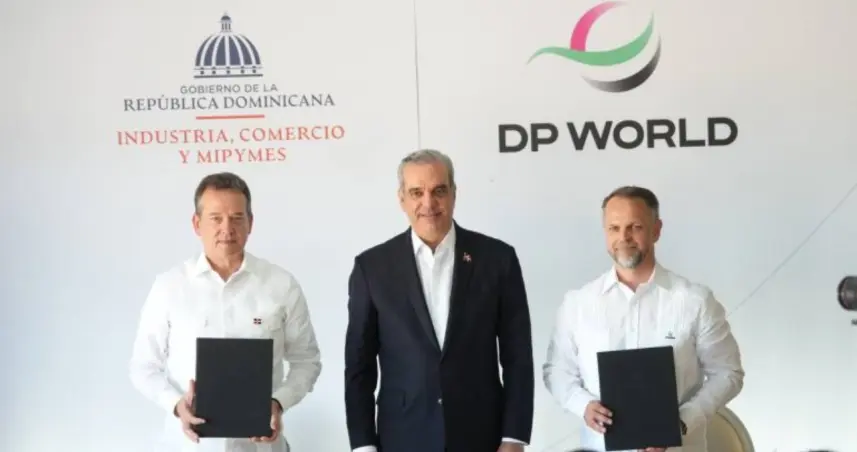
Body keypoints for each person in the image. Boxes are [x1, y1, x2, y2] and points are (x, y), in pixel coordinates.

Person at [344, 149, 535, 452]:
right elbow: (359, 366)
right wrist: (364, 445)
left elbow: (518, 356)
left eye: (439, 191)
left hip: (482, 435)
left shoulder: (497, 259)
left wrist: (514, 437)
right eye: (416, 192)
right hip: (403, 437)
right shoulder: (372, 268)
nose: (428, 203)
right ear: (402, 199)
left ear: (454, 193)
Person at [128, 172, 322, 452]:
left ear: (251, 223)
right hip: (187, 446)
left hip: (261, 447)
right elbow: (143, 366)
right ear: (197, 223)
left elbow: (307, 361)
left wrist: (278, 402)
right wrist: (176, 404)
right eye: (216, 218)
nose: (227, 228)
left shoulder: (281, 284)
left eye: (237, 218)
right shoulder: (169, 286)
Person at [542, 186, 745, 452]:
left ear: (656, 230)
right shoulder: (578, 304)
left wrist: (682, 422)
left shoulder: (694, 301)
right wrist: (583, 405)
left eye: (635, 227)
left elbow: (728, 373)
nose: (623, 237)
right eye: (614, 228)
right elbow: (556, 371)